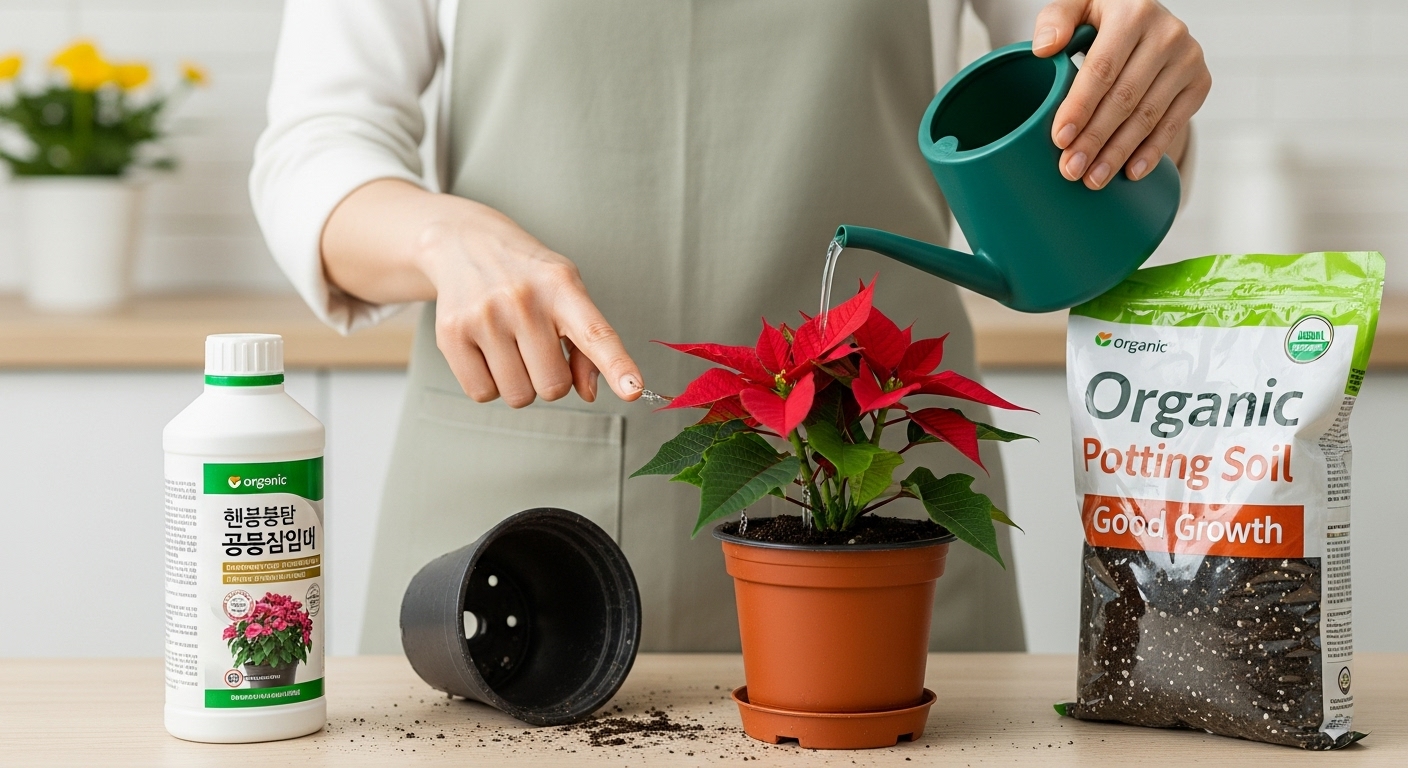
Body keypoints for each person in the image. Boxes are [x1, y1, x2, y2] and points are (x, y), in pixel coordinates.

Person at [252, 0, 1210, 654]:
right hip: (518, 522)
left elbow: (1078, 90)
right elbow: (313, 147)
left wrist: (1132, 87)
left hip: (876, 487)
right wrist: (439, 235)